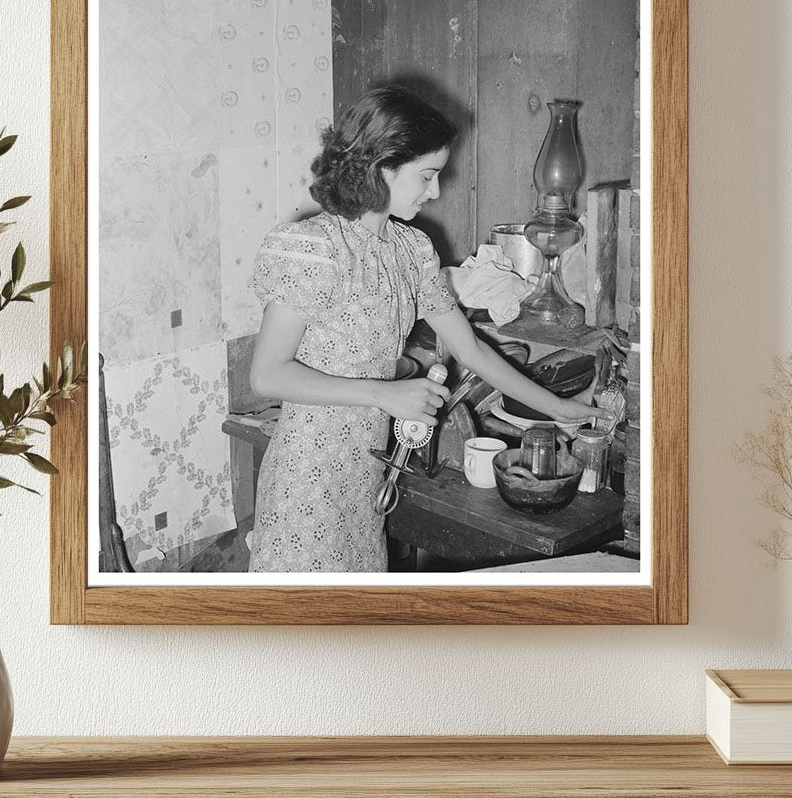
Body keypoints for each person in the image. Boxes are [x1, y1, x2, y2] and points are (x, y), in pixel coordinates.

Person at [248, 85, 600, 572]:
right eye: (426, 176)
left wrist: (560, 409)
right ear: (381, 166)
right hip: (307, 472)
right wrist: (385, 395)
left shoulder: (410, 249)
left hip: (366, 471)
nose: (434, 192)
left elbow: (471, 350)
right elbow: (267, 376)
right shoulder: (311, 247)